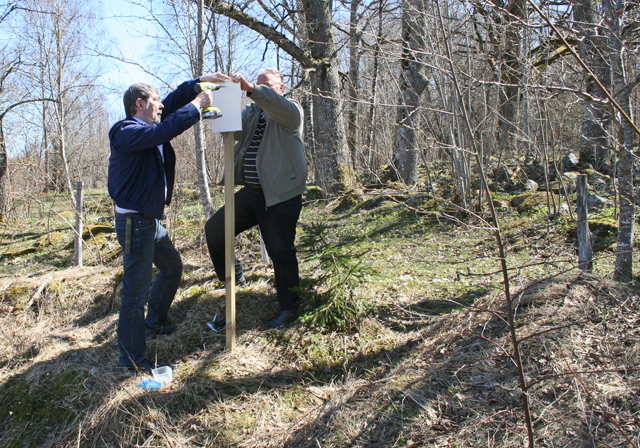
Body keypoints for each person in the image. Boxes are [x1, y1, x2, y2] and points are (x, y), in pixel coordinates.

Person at [109, 72, 229, 373]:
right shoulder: (127, 130)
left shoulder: (150, 124)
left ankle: (156, 321)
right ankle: (131, 359)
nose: (161, 106)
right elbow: (165, 130)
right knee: (135, 293)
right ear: (139, 104)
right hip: (135, 224)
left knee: (172, 268)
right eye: (155, 101)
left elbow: (172, 104)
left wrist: (199, 81)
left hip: (149, 222)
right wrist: (197, 105)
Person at [204, 68, 307, 329]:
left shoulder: (291, 112)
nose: (261, 90)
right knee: (216, 229)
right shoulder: (254, 112)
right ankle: (234, 277)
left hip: (281, 194)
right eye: (259, 85)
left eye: (267, 86)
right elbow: (232, 129)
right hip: (253, 193)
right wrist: (215, 100)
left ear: (281, 88)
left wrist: (250, 88)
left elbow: (276, 106)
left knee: (280, 250)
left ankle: (289, 308)